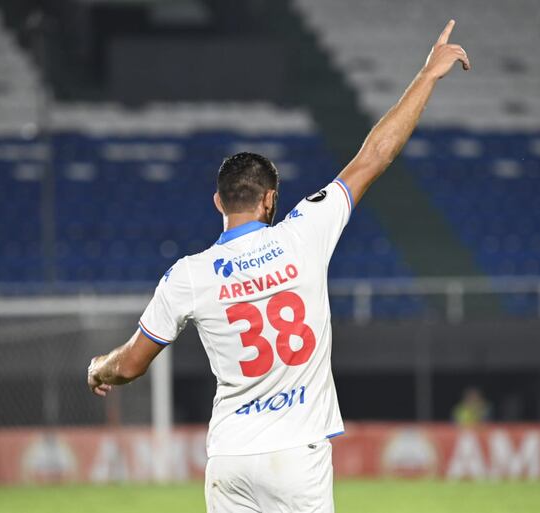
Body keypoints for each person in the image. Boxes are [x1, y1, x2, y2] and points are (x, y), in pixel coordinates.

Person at [87, 19, 469, 513]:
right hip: (296, 456)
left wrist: (100, 368)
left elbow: (133, 363)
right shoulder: (304, 232)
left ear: (217, 202)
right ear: (270, 200)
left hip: (229, 458)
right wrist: (428, 75)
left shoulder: (189, 274)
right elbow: (373, 156)